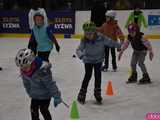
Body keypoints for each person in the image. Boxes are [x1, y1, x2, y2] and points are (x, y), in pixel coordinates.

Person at [76, 21, 121, 104]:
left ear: (94, 32)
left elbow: (110, 42)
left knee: (98, 76)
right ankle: (82, 93)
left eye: (90, 33)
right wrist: (81, 55)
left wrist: (118, 45)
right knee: (87, 76)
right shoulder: (84, 39)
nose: (88, 35)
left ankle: (97, 93)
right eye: (86, 33)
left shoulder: (101, 37)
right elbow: (78, 49)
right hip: (88, 60)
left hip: (98, 60)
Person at [15, 48, 62, 120]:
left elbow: (50, 84)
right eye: (22, 67)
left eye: (25, 67)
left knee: (43, 110)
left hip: (45, 96)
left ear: (32, 62)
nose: (23, 69)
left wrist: (57, 96)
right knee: (33, 110)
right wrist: (30, 92)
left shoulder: (42, 72)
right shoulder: (24, 72)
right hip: (35, 95)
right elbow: (26, 84)